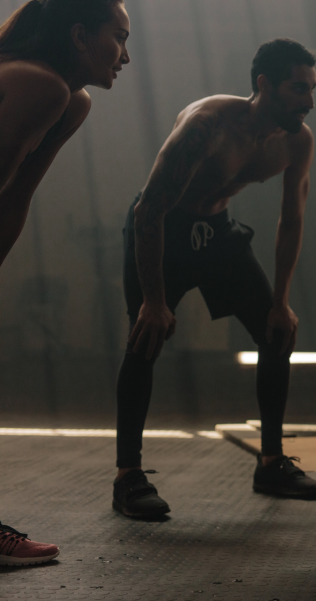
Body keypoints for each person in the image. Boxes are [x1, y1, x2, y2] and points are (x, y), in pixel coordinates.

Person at [113, 38, 316, 519]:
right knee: (144, 338)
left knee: (276, 333)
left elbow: (291, 221)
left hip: (219, 233)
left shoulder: (297, 140)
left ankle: (271, 463)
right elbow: (150, 210)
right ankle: (128, 477)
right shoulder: (207, 125)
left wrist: (281, 301)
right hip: (163, 228)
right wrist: (153, 299)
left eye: (313, 90)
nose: (309, 101)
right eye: (298, 89)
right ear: (264, 85)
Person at [0, 0, 131, 565]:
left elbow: (15, 195)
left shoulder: (69, 102)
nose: (126, 55)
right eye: (118, 37)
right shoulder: (36, 84)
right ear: (79, 34)